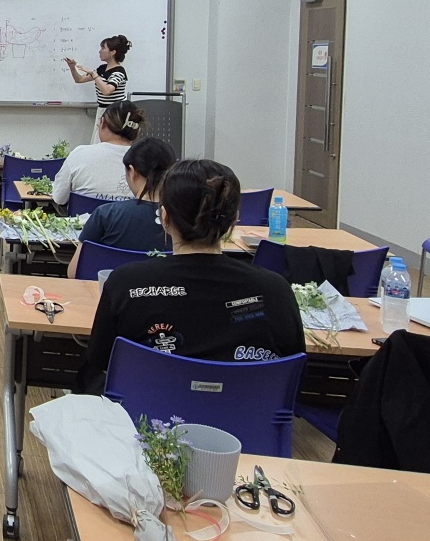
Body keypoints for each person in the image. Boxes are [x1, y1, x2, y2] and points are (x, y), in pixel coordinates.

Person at [76, 160, 304, 392]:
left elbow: (99, 362)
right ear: (234, 219)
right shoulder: (275, 290)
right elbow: (293, 371)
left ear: (164, 217)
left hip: (144, 413)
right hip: (248, 414)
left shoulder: (125, 283)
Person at [67, 135, 176, 275]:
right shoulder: (183, 218)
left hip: (110, 288)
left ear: (132, 172)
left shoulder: (106, 214)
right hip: (167, 288)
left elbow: (74, 272)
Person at [51, 102, 145, 208]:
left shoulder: (79, 154)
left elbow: (59, 198)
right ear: (137, 131)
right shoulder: (147, 161)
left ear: (102, 123)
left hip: (85, 218)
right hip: (131, 219)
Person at [64, 35, 131, 109]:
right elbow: (79, 79)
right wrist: (72, 67)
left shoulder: (119, 72)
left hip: (116, 111)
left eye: (103, 48)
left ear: (113, 52)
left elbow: (107, 91)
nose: (100, 51)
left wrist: (94, 74)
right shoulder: (102, 69)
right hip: (102, 108)